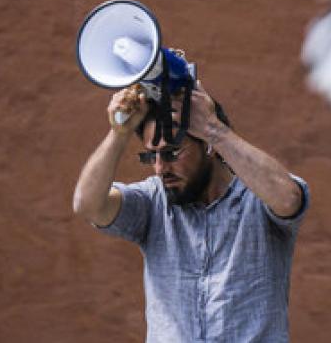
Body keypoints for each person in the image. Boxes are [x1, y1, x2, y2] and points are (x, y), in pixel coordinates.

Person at [72, 66, 309, 343]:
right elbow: (87, 204)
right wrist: (119, 133)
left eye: (171, 153)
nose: (160, 168)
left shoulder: (258, 198)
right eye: (151, 156)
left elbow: (289, 198)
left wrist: (214, 130)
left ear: (208, 146)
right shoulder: (153, 201)